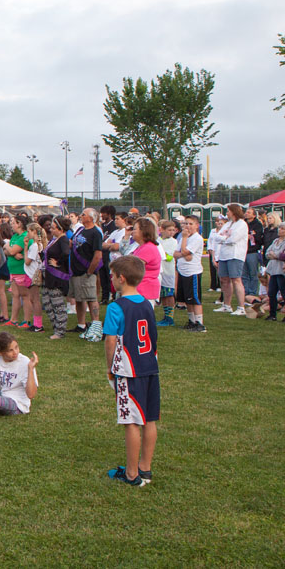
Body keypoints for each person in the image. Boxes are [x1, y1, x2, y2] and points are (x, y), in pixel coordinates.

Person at [104, 256, 160, 487]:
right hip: (150, 367)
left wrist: (110, 368)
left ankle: (131, 474)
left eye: (112, 275)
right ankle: (145, 468)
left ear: (121, 278)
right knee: (149, 419)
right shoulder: (147, 303)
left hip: (128, 370)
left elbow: (110, 341)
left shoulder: (116, 307)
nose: (111, 279)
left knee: (131, 422)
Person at [71, 208, 104, 341]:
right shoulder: (80, 230)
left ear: (91, 218)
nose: (81, 216)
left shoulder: (96, 233)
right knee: (79, 298)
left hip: (87, 271)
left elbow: (98, 254)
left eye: (83, 214)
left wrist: (90, 271)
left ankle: (95, 325)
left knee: (91, 298)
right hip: (76, 270)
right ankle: (81, 324)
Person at [211, 203, 248, 316]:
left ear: (234, 212)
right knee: (224, 280)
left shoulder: (242, 224)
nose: (226, 213)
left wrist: (224, 239)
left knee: (236, 280)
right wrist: (225, 238)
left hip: (235, 255)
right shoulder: (228, 224)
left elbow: (233, 239)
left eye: (228, 211)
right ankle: (226, 305)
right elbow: (217, 236)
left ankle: (241, 307)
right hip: (224, 255)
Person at [173, 214, 206, 332]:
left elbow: (185, 252)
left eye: (191, 224)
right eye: (186, 223)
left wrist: (184, 248)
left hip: (192, 272)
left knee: (195, 299)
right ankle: (192, 321)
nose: (188, 226)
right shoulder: (183, 238)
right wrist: (184, 253)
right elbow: (176, 253)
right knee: (187, 299)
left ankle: (200, 323)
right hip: (182, 270)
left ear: (197, 226)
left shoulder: (196, 238)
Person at [42, 216, 72, 340]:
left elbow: (66, 253)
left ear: (61, 229)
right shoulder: (55, 240)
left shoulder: (63, 239)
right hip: (49, 276)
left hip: (57, 277)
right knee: (47, 302)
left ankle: (60, 330)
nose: (51, 230)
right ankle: (56, 326)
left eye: (54, 228)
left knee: (57, 304)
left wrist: (58, 262)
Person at [5, 215, 30, 327]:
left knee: (25, 295)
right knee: (15, 295)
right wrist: (12, 252)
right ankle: (13, 319)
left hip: (22, 271)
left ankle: (26, 320)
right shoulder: (15, 236)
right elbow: (7, 251)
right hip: (13, 271)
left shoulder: (24, 236)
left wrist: (7, 246)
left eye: (13, 223)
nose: (11, 225)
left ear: (19, 224)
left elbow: (10, 250)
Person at [130, 218, 162, 306]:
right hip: (140, 289)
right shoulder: (141, 247)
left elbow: (133, 268)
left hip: (145, 290)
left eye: (135, 229)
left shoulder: (148, 248)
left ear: (143, 231)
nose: (132, 232)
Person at [24, 222, 47, 333]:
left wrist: (25, 249)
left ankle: (38, 324)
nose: (27, 233)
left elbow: (27, 261)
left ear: (34, 231)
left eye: (28, 231)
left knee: (35, 300)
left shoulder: (34, 246)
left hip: (33, 274)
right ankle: (36, 323)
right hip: (32, 273)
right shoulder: (38, 245)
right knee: (33, 299)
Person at [156, 221, 179, 326]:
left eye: (173, 230)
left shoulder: (173, 242)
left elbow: (169, 257)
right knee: (163, 294)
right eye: (169, 230)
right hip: (160, 270)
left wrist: (161, 254)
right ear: (162, 230)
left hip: (169, 271)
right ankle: (165, 316)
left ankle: (170, 318)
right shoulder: (158, 240)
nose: (171, 232)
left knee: (169, 294)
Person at [264, 223, 285, 321]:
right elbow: (267, 252)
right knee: (271, 293)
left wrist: (275, 255)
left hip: (281, 271)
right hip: (273, 270)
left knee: (283, 292)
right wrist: (274, 255)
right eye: (279, 228)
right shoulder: (275, 241)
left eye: (282, 229)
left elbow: (282, 255)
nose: (280, 230)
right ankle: (272, 314)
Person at [98, 205, 118, 303]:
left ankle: (112, 295)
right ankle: (104, 297)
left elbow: (111, 241)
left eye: (104, 213)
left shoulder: (113, 226)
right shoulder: (102, 226)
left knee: (109, 275)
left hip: (109, 254)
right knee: (102, 276)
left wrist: (107, 244)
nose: (102, 215)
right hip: (102, 254)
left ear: (109, 214)